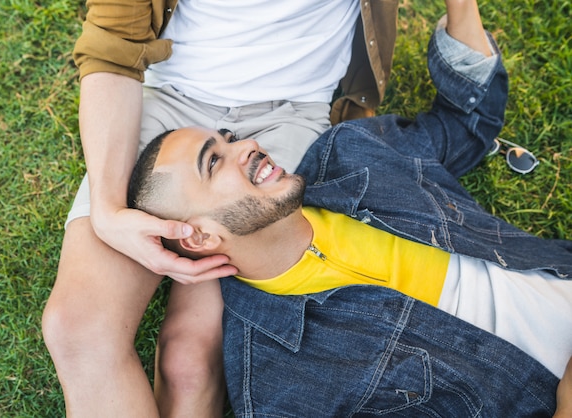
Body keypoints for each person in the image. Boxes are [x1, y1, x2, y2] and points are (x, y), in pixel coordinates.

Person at [127, 0, 572, 414]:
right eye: (213, 161)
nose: (246, 146)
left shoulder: (351, 153)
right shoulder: (281, 386)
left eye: (229, 138)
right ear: (200, 236)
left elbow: (468, 125)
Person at [41, 0, 398, 416]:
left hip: (292, 114)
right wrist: (106, 211)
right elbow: (113, 39)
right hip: (170, 105)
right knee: (78, 329)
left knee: (190, 361)